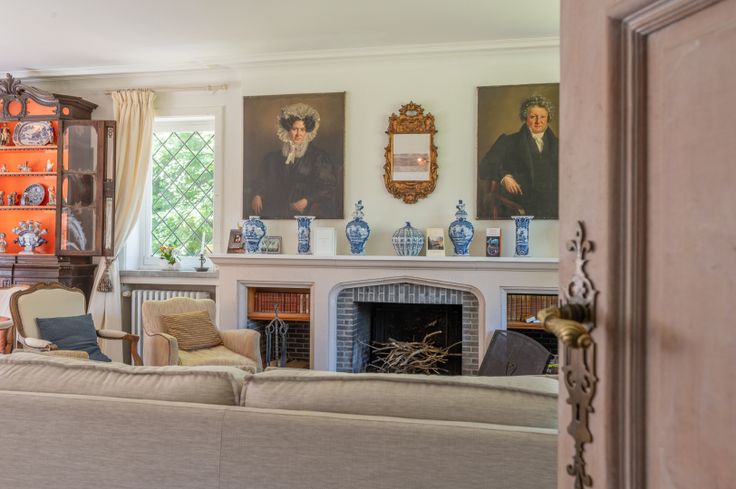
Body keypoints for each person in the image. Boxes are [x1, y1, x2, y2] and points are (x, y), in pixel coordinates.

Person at [249, 103, 337, 218]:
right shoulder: (272, 158)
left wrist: (307, 201)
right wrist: (257, 195)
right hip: (279, 208)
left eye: (302, 129)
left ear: (307, 131)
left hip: (306, 211)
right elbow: (262, 179)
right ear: (287, 130)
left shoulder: (318, 156)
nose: (298, 134)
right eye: (295, 129)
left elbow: (327, 186)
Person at [479, 94, 559, 219]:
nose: (538, 121)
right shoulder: (508, 141)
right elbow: (484, 167)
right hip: (520, 207)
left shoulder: (559, 145)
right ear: (525, 118)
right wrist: (504, 177)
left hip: (555, 207)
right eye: (533, 117)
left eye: (542, 117)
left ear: (548, 118)